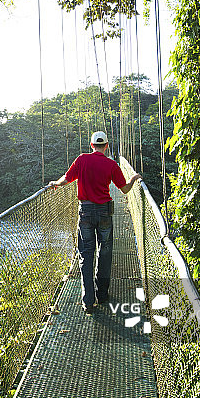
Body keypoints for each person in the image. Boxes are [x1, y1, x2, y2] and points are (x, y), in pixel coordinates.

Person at [48, 131, 141, 313]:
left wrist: (56, 184)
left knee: (86, 254)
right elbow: (124, 189)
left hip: (86, 212)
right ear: (106, 146)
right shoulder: (112, 164)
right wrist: (133, 178)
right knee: (104, 252)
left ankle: (88, 301)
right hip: (105, 212)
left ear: (91, 145)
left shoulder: (82, 159)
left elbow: (67, 179)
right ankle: (102, 295)